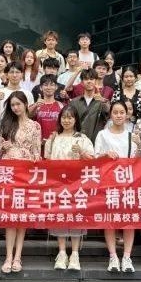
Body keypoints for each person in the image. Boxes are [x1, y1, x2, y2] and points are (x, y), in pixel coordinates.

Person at [44, 104, 95, 271]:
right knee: (60, 216)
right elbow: (47, 161)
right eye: (64, 117)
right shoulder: (54, 138)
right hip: (58, 184)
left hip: (77, 185)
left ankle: (74, 253)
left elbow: (93, 161)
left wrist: (81, 152)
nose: (66, 120)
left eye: (70, 117)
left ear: (75, 120)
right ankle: (61, 252)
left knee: (75, 216)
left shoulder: (82, 138)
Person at [94, 100, 141, 273]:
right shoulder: (102, 134)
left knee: (129, 220)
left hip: (128, 183)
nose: (119, 115)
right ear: (110, 115)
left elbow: (140, 161)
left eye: (122, 112)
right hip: (109, 183)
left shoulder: (132, 135)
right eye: (115, 112)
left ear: (127, 114)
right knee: (110, 220)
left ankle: (127, 257)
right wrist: (105, 155)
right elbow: (95, 158)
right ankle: (113, 256)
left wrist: (139, 145)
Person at [0, 91, 41, 274]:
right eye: (12, 105)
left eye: (18, 104)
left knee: (21, 216)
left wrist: (32, 158)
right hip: (8, 173)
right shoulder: (5, 124)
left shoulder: (35, 126)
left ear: (25, 104)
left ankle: (17, 256)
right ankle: (8, 256)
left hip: (25, 174)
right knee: (11, 216)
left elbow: (37, 153)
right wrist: (3, 146)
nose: (15, 108)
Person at [0, 62, 34, 133]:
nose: (14, 75)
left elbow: (30, 116)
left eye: (17, 72)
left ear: (22, 75)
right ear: (6, 75)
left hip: (23, 135)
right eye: (11, 72)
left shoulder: (28, 94)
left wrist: (36, 107)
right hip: (3, 135)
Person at [69, 68, 109, 143]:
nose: (89, 81)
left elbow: (108, 115)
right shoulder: (74, 102)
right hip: (77, 141)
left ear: (96, 81)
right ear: (82, 82)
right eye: (86, 79)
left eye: (91, 79)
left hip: (96, 141)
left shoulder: (103, 102)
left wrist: (103, 102)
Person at [29, 74, 64, 143]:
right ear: (41, 87)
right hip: (38, 144)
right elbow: (27, 116)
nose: (49, 87)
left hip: (57, 144)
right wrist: (35, 106)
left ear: (56, 87)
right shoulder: (36, 105)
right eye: (45, 85)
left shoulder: (61, 106)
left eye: (52, 85)